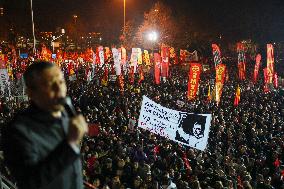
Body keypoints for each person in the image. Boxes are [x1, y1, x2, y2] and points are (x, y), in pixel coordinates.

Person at [2, 61, 88, 189]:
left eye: (61, 82)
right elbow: (30, 183)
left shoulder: (67, 116)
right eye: (50, 84)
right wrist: (70, 145)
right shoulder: (18, 131)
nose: (59, 89)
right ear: (31, 92)